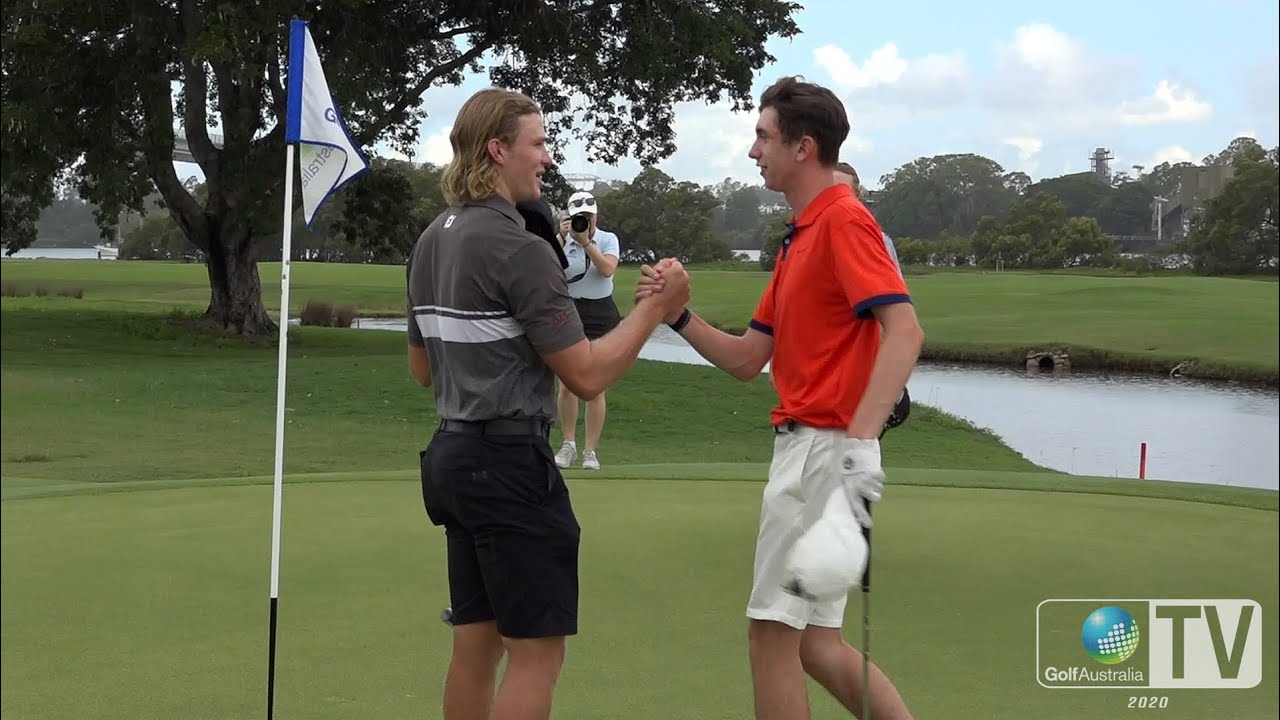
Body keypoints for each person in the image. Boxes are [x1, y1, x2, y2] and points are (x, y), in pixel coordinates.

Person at [637, 76, 923, 720]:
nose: (752, 151)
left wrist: (861, 440)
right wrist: (675, 315)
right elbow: (747, 358)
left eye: (762, 137)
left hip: (824, 453)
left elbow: (904, 331)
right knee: (817, 646)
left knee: (771, 637)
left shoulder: (844, 220)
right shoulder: (800, 235)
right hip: (818, 452)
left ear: (803, 146)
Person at [405, 87, 690, 720]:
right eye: (538, 143)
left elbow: (422, 370)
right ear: (497, 149)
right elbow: (587, 377)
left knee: (476, 645)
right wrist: (655, 309)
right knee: (535, 656)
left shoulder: (431, 239)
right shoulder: (522, 249)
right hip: (507, 465)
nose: (548, 158)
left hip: (452, 458)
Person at [553, 190, 623, 471]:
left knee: (595, 386)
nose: (585, 220)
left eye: (589, 216)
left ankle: (590, 451)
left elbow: (607, 269)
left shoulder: (608, 239)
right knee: (567, 385)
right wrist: (560, 239)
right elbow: (548, 271)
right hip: (570, 311)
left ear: (596, 216)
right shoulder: (561, 241)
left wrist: (586, 243)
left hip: (601, 312)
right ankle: (568, 444)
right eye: (579, 216)